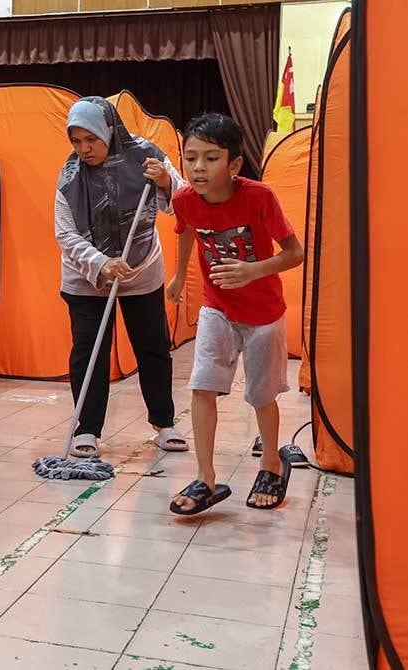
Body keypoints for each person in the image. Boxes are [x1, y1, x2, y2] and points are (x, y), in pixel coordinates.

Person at [167, 113, 304, 514]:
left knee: (261, 394)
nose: (198, 168)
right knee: (202, 386)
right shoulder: (184, 201)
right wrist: (178, 276)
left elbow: (295, 254)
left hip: (263, 312)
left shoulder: (259, 197)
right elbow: (187, 229)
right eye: (191, 158)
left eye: (210, 158)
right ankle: (206, 477)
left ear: (234, 165)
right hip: (217, 307)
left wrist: (253, 270)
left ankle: (271, 465)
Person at [55, 96, 188, 458]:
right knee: (89, 351)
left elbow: (185, 200)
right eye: (76, 141)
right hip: (87, 278)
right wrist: (101, 263)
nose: (84, 149)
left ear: (108, 131)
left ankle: (164, 423)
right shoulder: (70, 178)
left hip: (142, 270)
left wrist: (165, 182)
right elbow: (66, 234)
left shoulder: (146, 156)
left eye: (91, 140)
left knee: (153, 347)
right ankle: (88, 430)